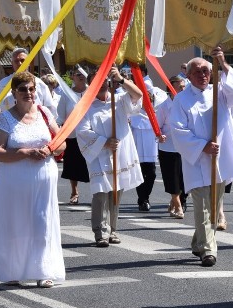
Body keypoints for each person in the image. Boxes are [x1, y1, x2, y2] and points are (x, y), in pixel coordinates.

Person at [170, 48, 233, 268]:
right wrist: (202, 146)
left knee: (213, 206)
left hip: (219, 161)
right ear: (189, 75)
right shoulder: (182, 100)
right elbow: (178, 130)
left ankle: (198, 242)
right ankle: (208, 250)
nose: (203, 75)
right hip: (198, 161)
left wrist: (223, 62)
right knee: (203, 205)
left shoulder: (219, 93)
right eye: (198, 72)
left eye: (206, 70)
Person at [0, 71, 66, 286]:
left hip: (43, 178)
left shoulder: (45, 114)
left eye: (32, 89)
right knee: (16, 224)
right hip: (15, 179)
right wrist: (22, 153)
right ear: (14, 92)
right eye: (23, 89)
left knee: (42, 223)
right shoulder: (5, 117)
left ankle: (44, 271)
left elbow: (62, 143)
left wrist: (49, 150)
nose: (28, 93)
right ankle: (12, 270)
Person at [77, 66, 144, 247]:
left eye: (105, 81)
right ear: (91, 85)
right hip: (99, 153)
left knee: (116, 192)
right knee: (100, 193)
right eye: (97, 82)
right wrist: (104, 142)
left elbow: (138, 96)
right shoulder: (86, 106)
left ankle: (113, 229)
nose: (102, 85)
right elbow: (82, 131)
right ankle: (100, 231)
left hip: (119, 153)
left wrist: (121, 79)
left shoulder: (119, 100)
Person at [56, 65, 91, 205]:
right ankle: (74, 191)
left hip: (90, 134)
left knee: (91, 163)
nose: (81, 75)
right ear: (72, 77)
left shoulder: (92, 92)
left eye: (83, 73)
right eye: (77, 74)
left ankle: (97, 192)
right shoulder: (66, 94)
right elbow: (61, 115)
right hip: (72, 134)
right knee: (72, 164)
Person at [130, 83, 166, 212]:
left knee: (151, 175)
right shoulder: (133, 115)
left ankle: (145, 197)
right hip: (137, 150)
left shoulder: (155, 115)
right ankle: (143, 200)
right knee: (139, 176)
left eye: (149, 100)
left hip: (151, 151)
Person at [0, 47, 58, 120]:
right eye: (16, 61)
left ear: (29, 62)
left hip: (36, 123)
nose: (20, 63)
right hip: (11, 123)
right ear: (12, 63)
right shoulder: (4, 83)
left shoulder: (39, 83)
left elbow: (50, 108)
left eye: (23, 60)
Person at [157, 75, 187, 218]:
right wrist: (159, 134)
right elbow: (157, 126)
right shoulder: (164, 106)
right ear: (171, 87)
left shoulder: (186, 103)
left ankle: (174, 202)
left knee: (184, 179)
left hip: (185, 147)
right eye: (180, 86)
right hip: (168, 148)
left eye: (184, 86)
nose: (183, 89)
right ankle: (179, 206)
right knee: (172, 179)